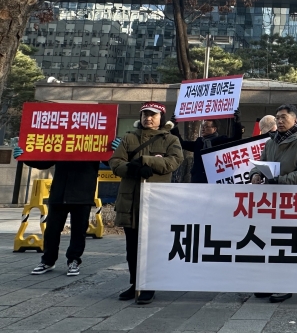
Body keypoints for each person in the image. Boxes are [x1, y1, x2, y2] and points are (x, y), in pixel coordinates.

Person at [110, 102, 183, 305]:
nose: (148, 118)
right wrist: (131, 168)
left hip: (156, 201)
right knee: (132, 248)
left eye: (153, 115)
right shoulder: (129, 137)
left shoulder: (171, 139)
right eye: (145, 115)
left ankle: (149, 285)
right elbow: (115, 162)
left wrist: (146, 161)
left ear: (161, 118)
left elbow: (174, 161)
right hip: (130, 200)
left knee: (152, 247)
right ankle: (135, 284)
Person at [15, 138, 120, 276]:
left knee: (79, 231)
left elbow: (109, 162)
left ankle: (74, 260)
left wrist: (114, 151)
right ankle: (47, 261)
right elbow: (45, 162)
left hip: (83, 194)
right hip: (59, 193)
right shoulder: (63, 140)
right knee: (51, 230)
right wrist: (24, 157)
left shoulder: (94, 140)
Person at [250, 104, 297, 303]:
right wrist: (255, 174)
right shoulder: (270, 143)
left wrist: (279, 180)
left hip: (293, 202)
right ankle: (268, 283)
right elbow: (260, 164)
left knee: (287, 243)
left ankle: (285, 284)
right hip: (271, 202)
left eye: (284, 117)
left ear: (295, 120)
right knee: (269, 241)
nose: (279, 121)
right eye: (277, 118)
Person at [172, 113, 244, 184]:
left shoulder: (220, 141)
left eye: (206, 127)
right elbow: (182, 143)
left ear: (214, 129)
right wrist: (174, 127)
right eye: (203, 126)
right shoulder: (199, 142)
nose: (203, 129)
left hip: (214, 178)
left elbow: (236, 139)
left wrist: (237, 122)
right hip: (198, 179)